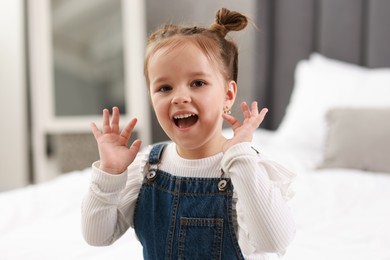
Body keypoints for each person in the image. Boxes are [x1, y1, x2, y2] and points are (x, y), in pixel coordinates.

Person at [82, 7, 296, 260]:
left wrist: (241, 156)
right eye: (164, 87)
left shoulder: (245, 167)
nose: (180, 97)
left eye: (197, 83)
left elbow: (273, 240)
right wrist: (110, 173)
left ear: (228, 95)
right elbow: (97, 237)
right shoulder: (146, 169)